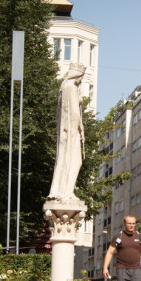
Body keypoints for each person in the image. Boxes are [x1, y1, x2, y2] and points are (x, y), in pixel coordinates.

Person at [48, 63, 86, 200]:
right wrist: (80, 128)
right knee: (75, 160)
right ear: (77, 75)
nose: (81, 81)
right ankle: (67, 193)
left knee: (62, 159)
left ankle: (57, 190)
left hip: (65, 130)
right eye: (81, 77)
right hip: (71, 131)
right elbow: (74, 113)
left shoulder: (64, 87)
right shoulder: (71, 87)